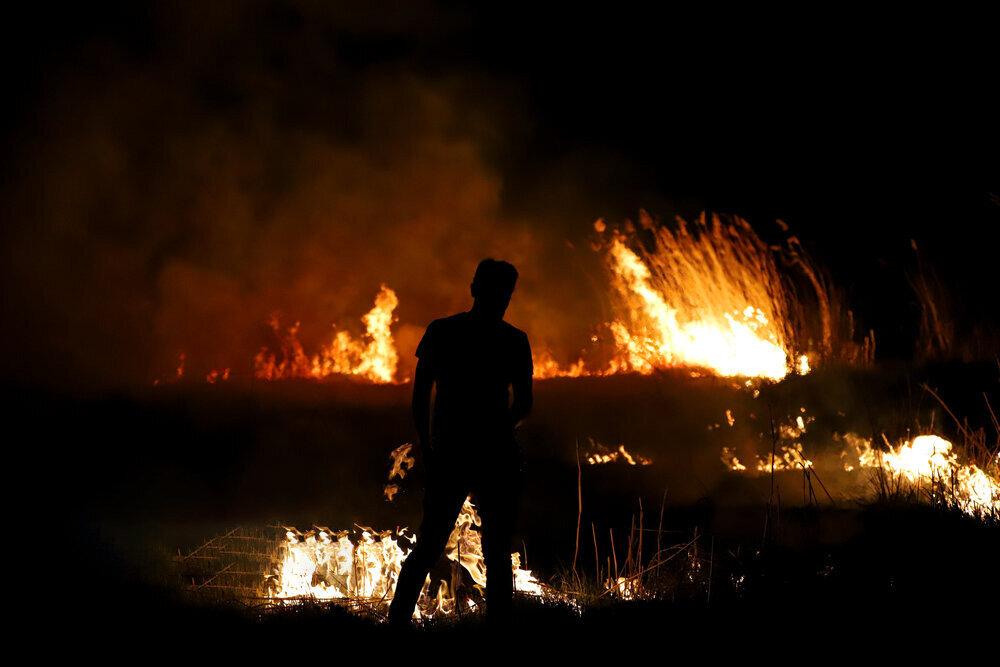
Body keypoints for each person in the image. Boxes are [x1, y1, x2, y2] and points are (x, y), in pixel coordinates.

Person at [388, 258, 533, 626]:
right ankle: (498, 628)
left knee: (430, 546)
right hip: (491, 455)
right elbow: (525, 404)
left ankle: (397, 624)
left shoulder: (443, 332)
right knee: (496, 553)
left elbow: (421, 397)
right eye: (502, 292)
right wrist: (500, 429)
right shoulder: (513, 340)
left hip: (453, 453)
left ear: (474, 289)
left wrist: (429, 445)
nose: (503, 299)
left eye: (505, 292)